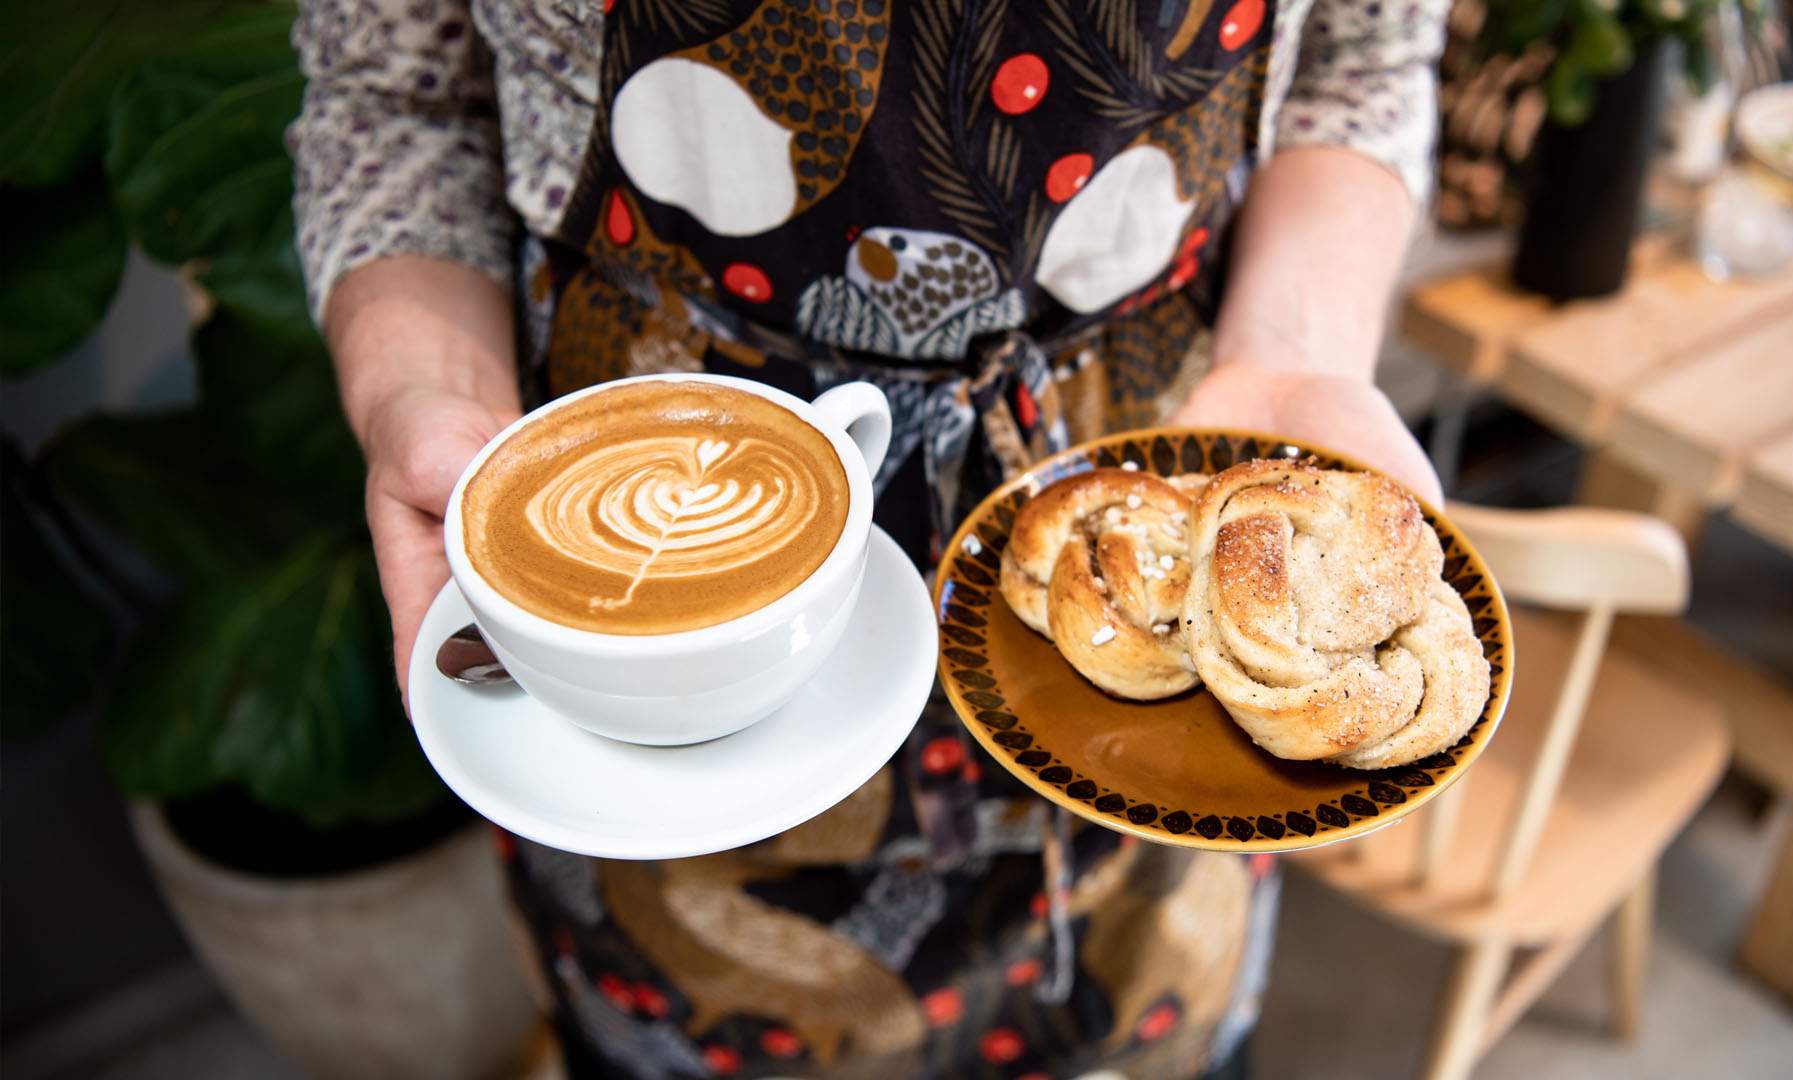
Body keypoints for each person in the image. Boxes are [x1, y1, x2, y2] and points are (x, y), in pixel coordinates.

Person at [291, 1, 1444, 1076]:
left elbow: (1355, 64)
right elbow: (396, 95)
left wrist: (1296, 355)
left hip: (1162, 503)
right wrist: (422, 394)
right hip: (628, 573)